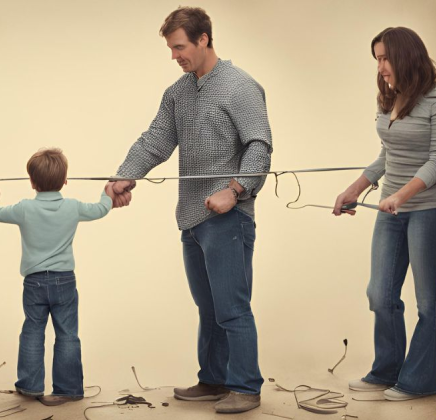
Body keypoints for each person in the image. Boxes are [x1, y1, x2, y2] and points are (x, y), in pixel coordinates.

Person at [106, 6, 272, 414]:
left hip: (228, 218)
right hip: (191, 218)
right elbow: (155, 141)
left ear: (203, 39)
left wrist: (235, 190)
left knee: (232, 308)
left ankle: (246, 388)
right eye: (170, 48)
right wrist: (125, 176)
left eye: (180, 47)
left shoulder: (240, 86)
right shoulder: (177, 93)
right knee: (209, 308)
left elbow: (260, 145)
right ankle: (213, 381)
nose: (174, 56)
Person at [333, 27, 436, 401]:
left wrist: (401, 195)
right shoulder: (389, 98)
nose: (381, 67)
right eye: (377, 59)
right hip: (391, 207)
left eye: (386, 58)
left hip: (429, 208)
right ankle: (386, 371)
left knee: (427, 301)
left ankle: (419, 381)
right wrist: (355, 189)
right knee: (380, 293)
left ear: (406, 56)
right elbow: (387, 154)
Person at [0, 148, 112, 406]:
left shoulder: (24, 208)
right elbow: (100, 210)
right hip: (64, 281)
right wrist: (106, 192)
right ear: (65, 180)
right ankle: (68, 389)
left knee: (32, 331)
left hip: (34, 283)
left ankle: (30, 386)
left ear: (32, 182)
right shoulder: (72, 207)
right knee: (67, 334)